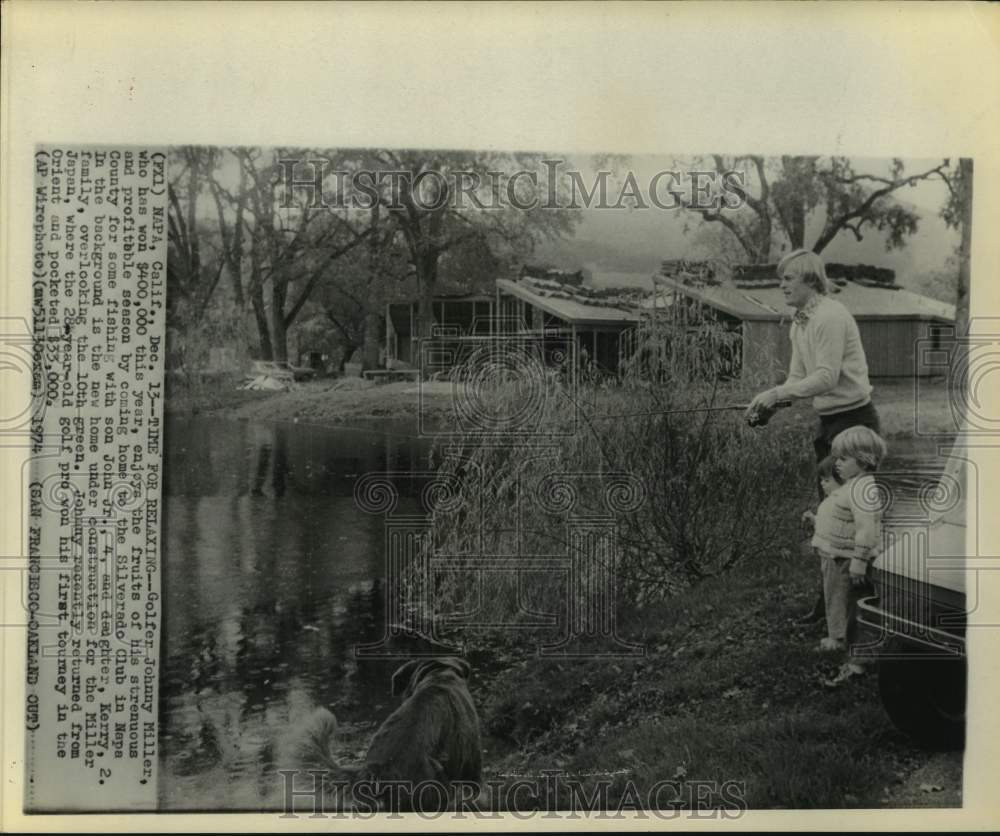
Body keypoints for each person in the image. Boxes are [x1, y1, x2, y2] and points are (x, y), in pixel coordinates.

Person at [745, 249, 881, 624]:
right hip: (828, 425)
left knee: (856, 522)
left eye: (788, 278)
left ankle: (862, 614)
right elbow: (796, 380)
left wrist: (775, 394)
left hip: (855, 425)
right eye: (781, 279)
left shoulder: (830, 316)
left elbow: (826, 377)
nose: (781, 285)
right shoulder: (799, 322)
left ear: (809, 280)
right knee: (830, 521)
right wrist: (770, 408)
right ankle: (831, 607)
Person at [813, 426, 888, 686]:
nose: (837, 464)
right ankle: (848, 645)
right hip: (844, 558)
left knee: (858, 609)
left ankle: (858, 663)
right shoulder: (854, 485)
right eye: (836, 458)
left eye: (843, 459)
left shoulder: (862, 490)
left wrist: (858, 562)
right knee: (846, 604)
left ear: (864, 459)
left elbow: (867, 530)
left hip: (855, 562)